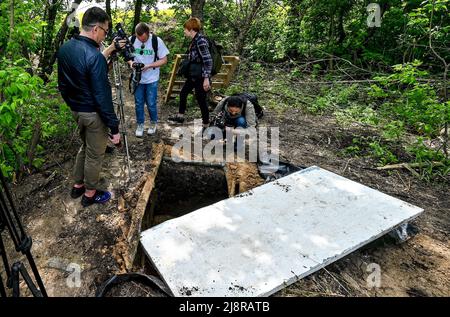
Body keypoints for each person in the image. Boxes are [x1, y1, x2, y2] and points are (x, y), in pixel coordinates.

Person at [57, 7, 122, 207]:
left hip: (76, 109)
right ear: (96, 29)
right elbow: (102, 98)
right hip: (93, 114)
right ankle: (90, 193)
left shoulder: (66, 48)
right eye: (105, 31)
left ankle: (77, 186)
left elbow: (63, 84)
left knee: (85, 148)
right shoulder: (94, 56)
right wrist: (114, 127)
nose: (104, 36)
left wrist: (72, 106)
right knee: (95, 154)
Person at [168, 17, 212, 130]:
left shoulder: (201, 41)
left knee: (201, 99)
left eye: (185, 29)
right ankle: (180, 116)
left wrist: (206, 78)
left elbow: (208, 60)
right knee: (183, 93)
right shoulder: (195, 40)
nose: (184, 31)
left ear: (191, 29)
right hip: (193, 75)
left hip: (201, 76)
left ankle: (206, 124)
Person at [128, 22, 169, 137]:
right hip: (137, 79)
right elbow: (128, 57)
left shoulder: (156, 41)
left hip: (152, 78)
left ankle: (153, 123)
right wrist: (131, 63)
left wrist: (149, 65)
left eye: (144, 39)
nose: (141, 41)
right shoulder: (131, 40)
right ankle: (140, 124)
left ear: (148, 33)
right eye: (139, 38)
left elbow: (164, 60)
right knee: (138, 103)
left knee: (151, 103)